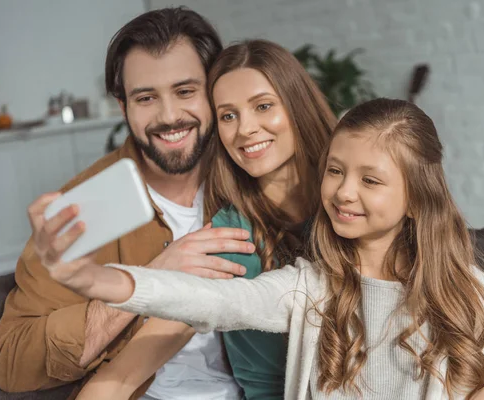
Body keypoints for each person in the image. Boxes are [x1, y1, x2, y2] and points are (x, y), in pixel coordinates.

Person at [35, 98, 484, 399]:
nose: (343, 191)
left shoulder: (461, 289)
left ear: (414, 199)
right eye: (335, 171)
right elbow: (216, 302)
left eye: (370, 180)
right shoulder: (309, 288)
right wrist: (97, 280)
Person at [0, 8, 255, 400]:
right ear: (123, 106)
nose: (169, 116)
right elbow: (12, 363)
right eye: (146, 97)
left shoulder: (251, 174)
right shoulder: (81, 208)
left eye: (185, 91)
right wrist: (150, 281)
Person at [74, 39, 336, 400]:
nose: (246, 129)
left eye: (263, 106)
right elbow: (122, 377)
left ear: (297, 105)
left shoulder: (348, 203)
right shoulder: (232, 238)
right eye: (228, 115)